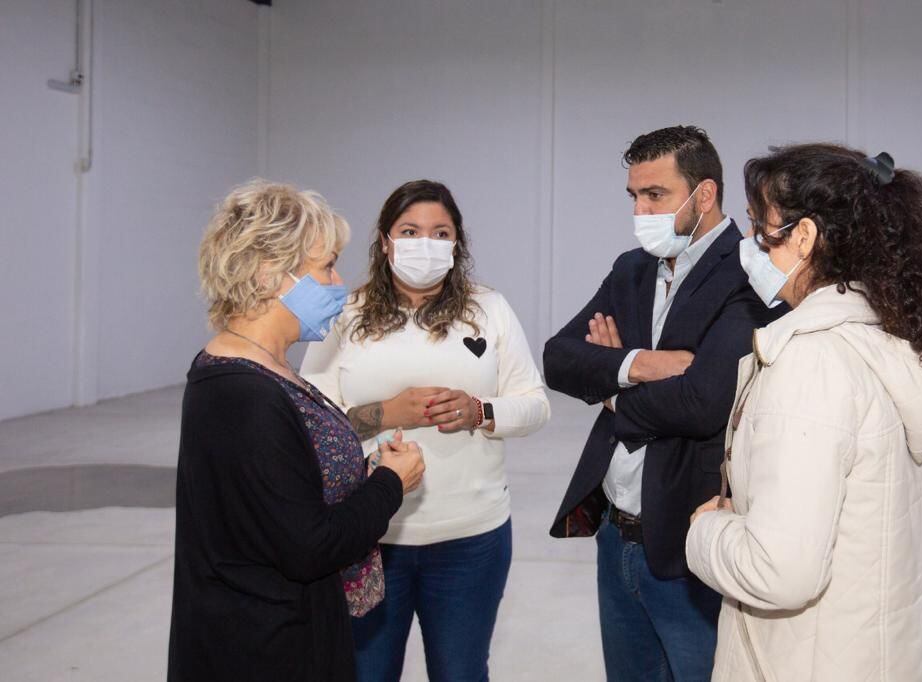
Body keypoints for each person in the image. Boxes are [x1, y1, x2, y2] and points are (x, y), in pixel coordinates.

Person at [686, 144, 922, 681]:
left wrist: (707, 531)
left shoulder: (812, 364)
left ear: (803, 236)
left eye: (760, 227)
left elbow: (781, 571)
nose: (749, 245)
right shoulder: (886, 343)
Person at [544, 125, 785, 681]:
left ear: (704, 195)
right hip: (614, 533)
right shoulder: (632, 268)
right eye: (634, 195)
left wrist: (609, 387)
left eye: (656, 195)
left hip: (687, 540)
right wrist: (640, 364)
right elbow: (558, 358)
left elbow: (703, 402)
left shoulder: (748, 272)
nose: (641, 209)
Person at [168, 180, 425, 682]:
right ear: (270, 274)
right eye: (326, 265)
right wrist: (390, 484)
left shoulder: (264, 368)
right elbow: (309, 546)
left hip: (284, 631)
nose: (337, 282)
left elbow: (282, 490)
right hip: (263, 650)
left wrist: (363, 471)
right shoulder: (243, 394)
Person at [300, 179, 550, 682]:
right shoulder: (345, 314)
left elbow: (535, 406)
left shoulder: (489, 310)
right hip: (371, 536)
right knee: (366, 673)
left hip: (471, 539)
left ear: (457, 244)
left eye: (440, 233)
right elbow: (310, 425)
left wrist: (480, 412)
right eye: (410, 231)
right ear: (386, 241)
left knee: (461, 673)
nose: (425, 243)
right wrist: (385, 413)